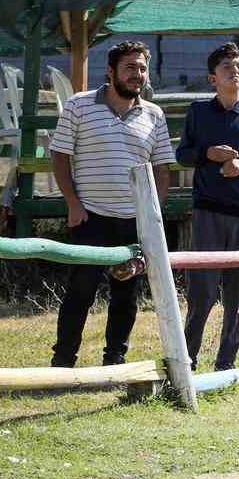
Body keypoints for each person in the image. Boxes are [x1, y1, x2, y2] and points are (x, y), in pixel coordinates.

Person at [49, 40, 176, 368]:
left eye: (142, 68)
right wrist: (73, 204)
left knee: (126, 296)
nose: (137, 74)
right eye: (130, 67)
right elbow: (60, 155)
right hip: (90, 217)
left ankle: (115, 360)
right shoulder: (79, 106)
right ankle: (63, 362)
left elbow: (163, 170)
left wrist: (151, 216)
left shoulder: (154, 115)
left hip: (134, 222)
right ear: (111, 71)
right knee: (80, 293)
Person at [176, 41, 239, 372]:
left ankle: (226, 363)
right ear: (212, 79)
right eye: (227, 68)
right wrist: (207, 155)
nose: (236, 72)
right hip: (208, 211)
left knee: (236, 297)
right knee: (201, 294)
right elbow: (182, 155)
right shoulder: (198, 112)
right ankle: (186, 361)